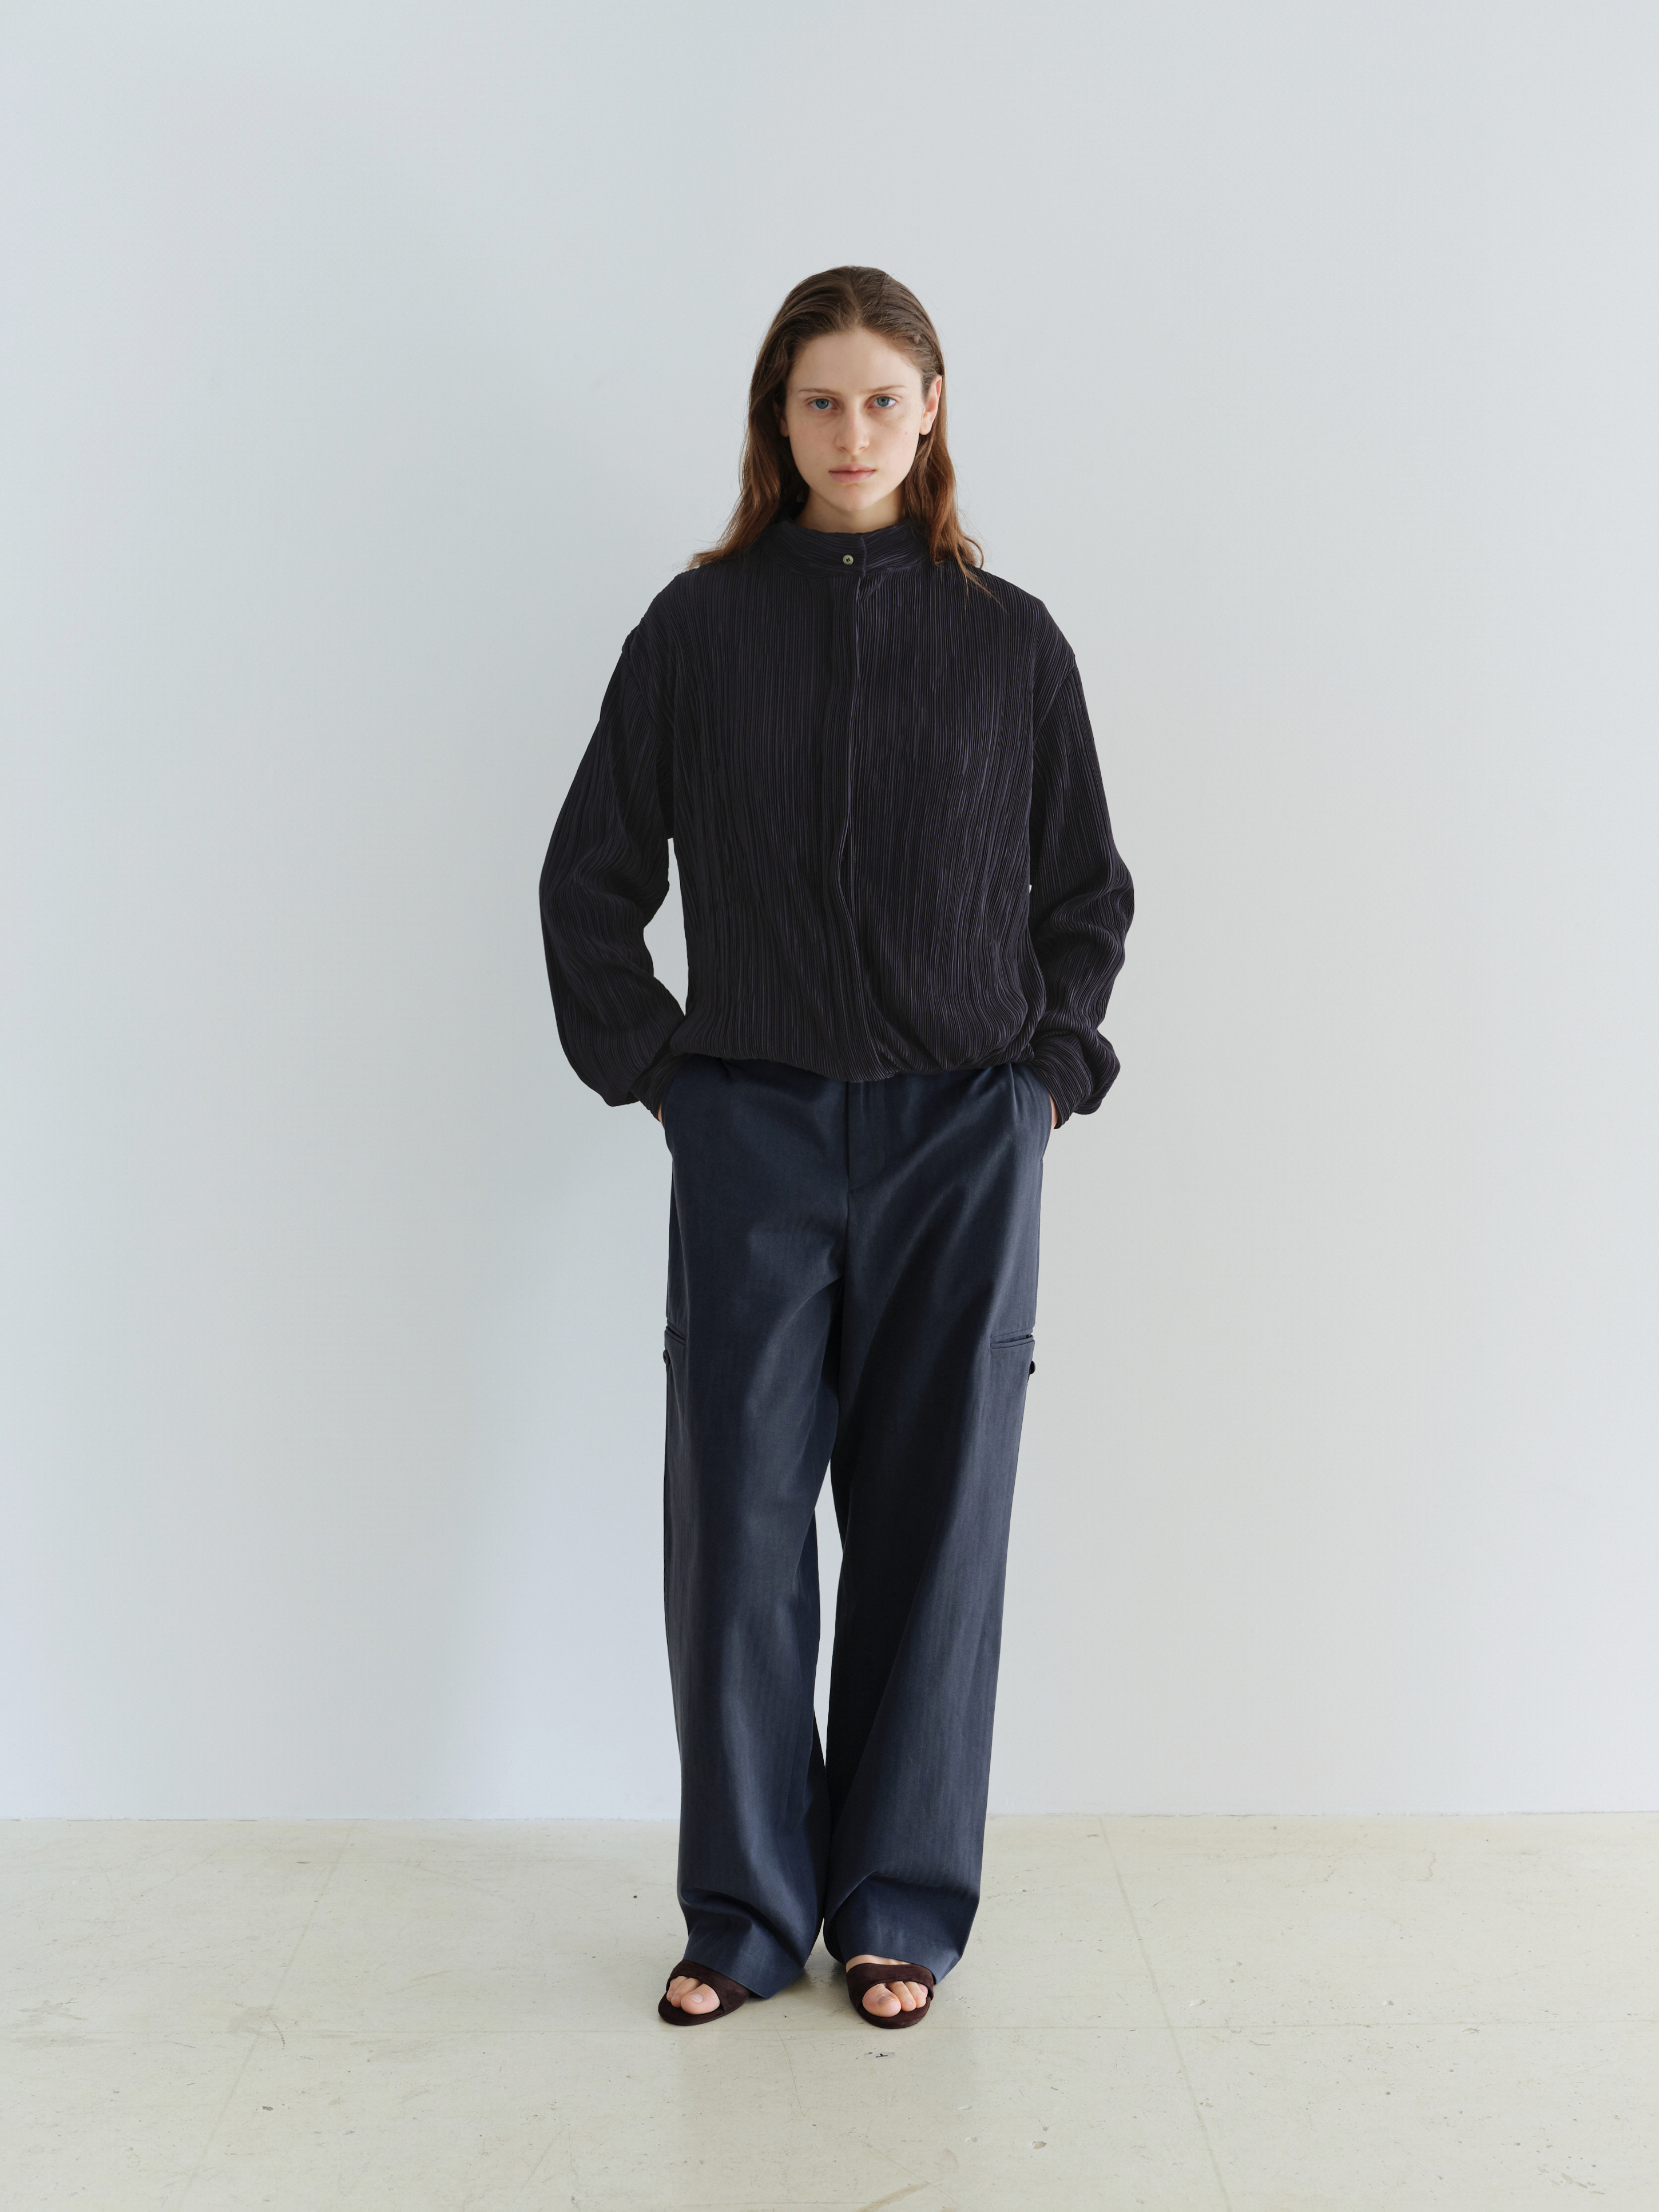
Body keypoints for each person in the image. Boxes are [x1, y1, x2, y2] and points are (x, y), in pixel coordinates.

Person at [539, 265, 1132, 2029]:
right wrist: (669, 1077)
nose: (852, 430)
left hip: (964, 1132)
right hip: (755, 1130)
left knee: (934, 1529)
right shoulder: (696, 631)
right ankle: (740, 1913)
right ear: (776, 420)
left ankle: (896, 1908)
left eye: (882, 397)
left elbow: (1084, 895)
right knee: (733, 1526)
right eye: (820, 400)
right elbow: (587, 880)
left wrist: (1042, 1080)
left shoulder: (1011, 642)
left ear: (930, 410)